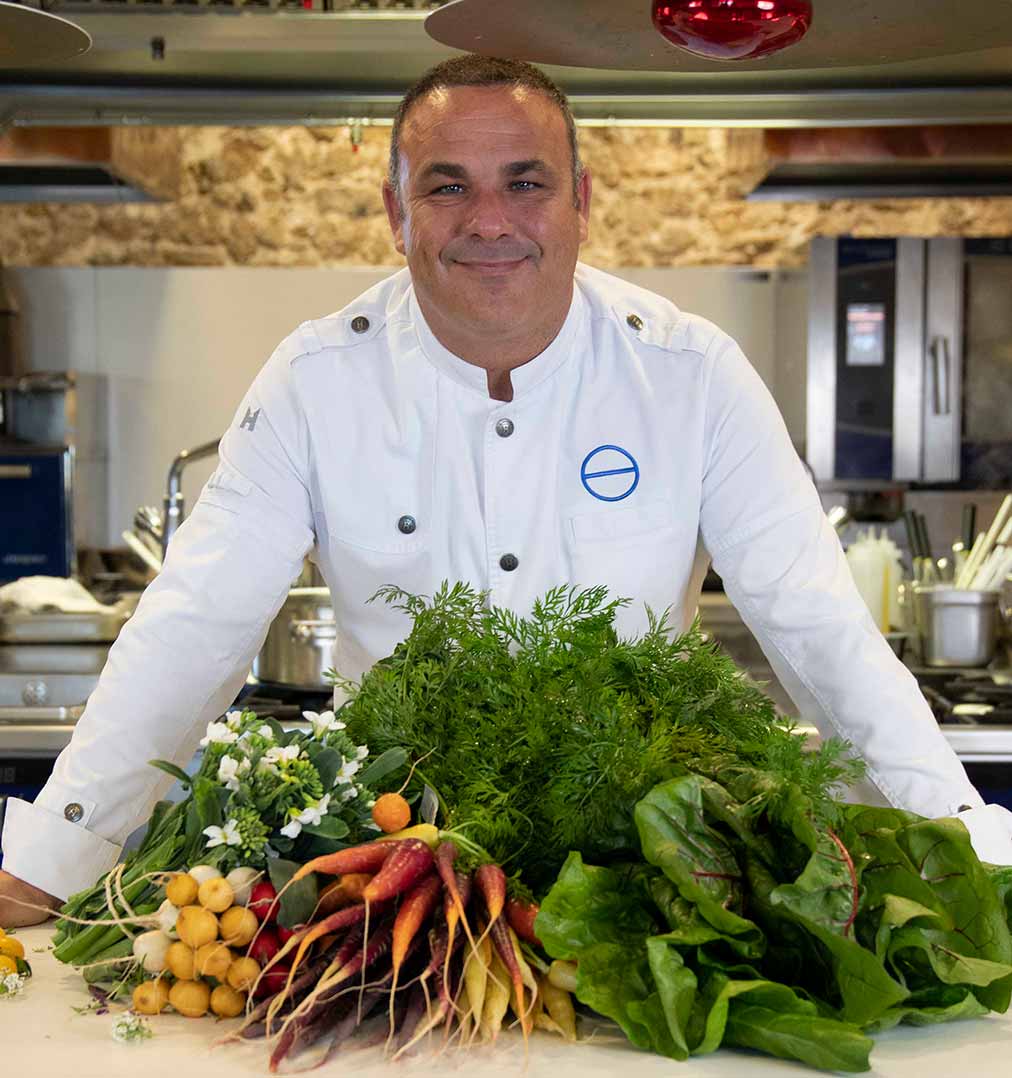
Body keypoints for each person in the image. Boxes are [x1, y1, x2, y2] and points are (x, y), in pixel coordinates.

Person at [3, 55, 1010, 926]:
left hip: (639, 875)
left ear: (581, 199)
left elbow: (817, 625)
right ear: (397, 211)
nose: (489, 219)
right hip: (389, 881)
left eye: (524, 182)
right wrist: (51, 857)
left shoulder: (687, 373)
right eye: (446, 185)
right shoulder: (318, 380)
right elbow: (195, 625)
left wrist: (964, 843)